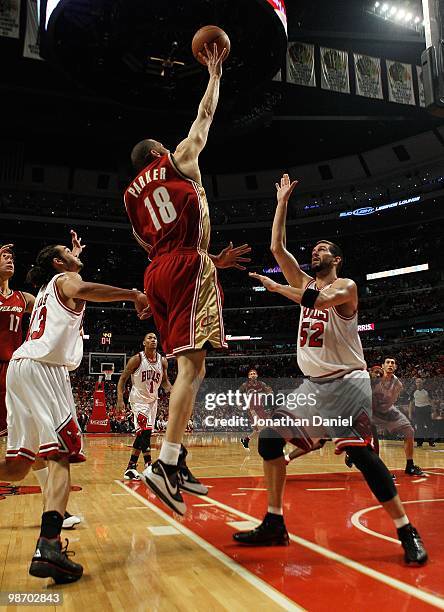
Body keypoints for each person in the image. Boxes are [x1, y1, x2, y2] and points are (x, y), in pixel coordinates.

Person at [233, 174, 427, 565]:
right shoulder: (305, 281)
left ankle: (407, 529)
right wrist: (282, 202)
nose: (316, 251)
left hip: (349, 382)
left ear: (335, 260)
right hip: (312, 387)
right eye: (315, 248)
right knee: (270, 440)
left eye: (323, 249)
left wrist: (276, 290)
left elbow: (315, 299)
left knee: (362, 456)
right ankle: (274, 522)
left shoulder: (346, 287)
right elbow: (277, 248)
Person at [124, 43, 251, 515]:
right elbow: (204, 117)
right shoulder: (177, 160)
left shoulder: (130, 199)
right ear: (157, 154)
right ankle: (167, 462)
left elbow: (152, 246)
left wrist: (208, 259)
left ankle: (177, 461)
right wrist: (214, 74)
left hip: (157, 270)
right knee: (192, 368)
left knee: (188, 366)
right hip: (186, 263)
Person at [0, 242, 149, 583]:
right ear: (58, 261)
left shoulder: (46, 290)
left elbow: (77, 287)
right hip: (44, 369)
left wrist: (76, 257)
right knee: (61, 456)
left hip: (20, 368)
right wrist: (133, 294)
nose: (75, 252)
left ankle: (49, 543)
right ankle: (48, 545)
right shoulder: (63, 280)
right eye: (67, 250)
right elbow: (82, 287)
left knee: (19, 467)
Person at [0, 234, 84, 529]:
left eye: (11, 256)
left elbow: (58, 302)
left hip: (15, 367)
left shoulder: (24, 298)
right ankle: (54, 518)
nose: (9, 259)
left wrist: (70, 263)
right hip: (22, 369)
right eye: (3, 256)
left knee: (30, 452)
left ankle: (56, 509)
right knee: (42, 453)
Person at [117, 332, 171, 479]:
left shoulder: (163, 361)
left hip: (153, 401)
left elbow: (165, 382)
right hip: (138, 400)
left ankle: (132, 467)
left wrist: (173, 391)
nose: (153, 340)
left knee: (143, 434)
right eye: (149, 338)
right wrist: (120, 399)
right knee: (146, 432)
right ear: (144, 342)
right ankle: (148, 466)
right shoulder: (137, 359)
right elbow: (122, 379)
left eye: (155, 338)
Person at [371, 358, 423, 475]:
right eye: (388, 362)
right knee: (373, 442)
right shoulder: (374, 379)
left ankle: (410, 466)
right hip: (371, 410)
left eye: (392, 363)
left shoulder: (398, 384)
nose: (390, 364)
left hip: (386, 410)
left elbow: (390, 403)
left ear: (395, 367)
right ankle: (353, 453)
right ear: (382, 366)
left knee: (409, 430)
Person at [239, 369, 273, 450]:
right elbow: (239, 393)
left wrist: (268, 392)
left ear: (257, 375)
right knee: (263, 428)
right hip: (252, 409)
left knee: (257, 430)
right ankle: (269, 445)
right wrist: (239, 403)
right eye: (251, 374)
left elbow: (269, 391)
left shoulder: (261, 384)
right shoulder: (245, 385)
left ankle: (246, 440)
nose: (253, 375)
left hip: (260, 408)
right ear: (249, 376)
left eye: (254, 373)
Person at [410, 378, 436, 447]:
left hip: (426, 409)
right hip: (418, 410)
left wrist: (434, 411)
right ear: (415, 383)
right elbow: (411, 403)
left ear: (422, 383)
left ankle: (431, 442)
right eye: (417, 382)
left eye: (420, 382)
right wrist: (410, 413)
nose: (418, 383)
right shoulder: (413, 392)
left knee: (429, 426)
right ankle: (419, 442)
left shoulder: (427, 391)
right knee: (419, 427)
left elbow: (432, 401)